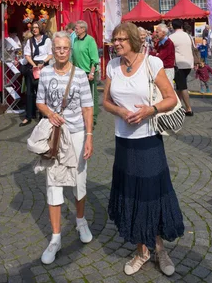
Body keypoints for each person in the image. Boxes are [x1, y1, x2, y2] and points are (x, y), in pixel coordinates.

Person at [103, 22, 183, 277]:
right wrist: (120, 111)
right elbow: (105, 101)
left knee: (151, 194)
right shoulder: (112, 66)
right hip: (123, 140)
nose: (116, 43)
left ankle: (159, 249)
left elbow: (171, 98)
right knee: (131, 194)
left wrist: (151, 109)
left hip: (148, 139)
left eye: (121, 39)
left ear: (134, 41)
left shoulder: (152, 63)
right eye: (114, 39)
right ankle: (142, 251)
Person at [36, 31, 94, 265]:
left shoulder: (79, 75)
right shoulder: (46, 72)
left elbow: (87, 108)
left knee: (79, 180)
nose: (61, 52)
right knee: (53, 185)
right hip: (55, 136)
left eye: (65, 48)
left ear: (70, 50)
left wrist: (89, 136)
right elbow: (40, 101)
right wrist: (50, 114)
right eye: (57, 48)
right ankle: (56, 238)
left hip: (78, 133)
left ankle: (81, 221)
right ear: (53, 50)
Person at [20, 21, 53, 127]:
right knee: (29, 92)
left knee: (42, 92)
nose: (34, 29)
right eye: (33, 28)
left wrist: (43, 62)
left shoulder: (47, 40)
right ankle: (29, 115)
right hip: (32, 67)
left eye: (36, 27)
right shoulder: (30, 41)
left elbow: (50, 54)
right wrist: (34, 65)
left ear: (40, 28)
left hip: (43, 66)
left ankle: (43, 114)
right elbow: (27, 55)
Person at [72, 20, 100, 126]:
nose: (75, 30)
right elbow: (73, 57)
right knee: (79, 96)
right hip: (78, 73)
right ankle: (82, 116)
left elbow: (95, 60)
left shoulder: (90, 40)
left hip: (88, 73)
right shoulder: (75, 40)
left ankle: (92, 118)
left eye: (77, 28)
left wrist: (92, 73)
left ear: (83, 29)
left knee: (91, 96)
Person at [169, 19, 194, 116]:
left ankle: (188, 108)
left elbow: (170, 51)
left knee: (182, 86)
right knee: (179, 86)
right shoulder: (188, 35)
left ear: (173, 26)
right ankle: (176, 106)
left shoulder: (172, 37)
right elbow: (193, 48)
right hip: (188, 63)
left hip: (178, 64)